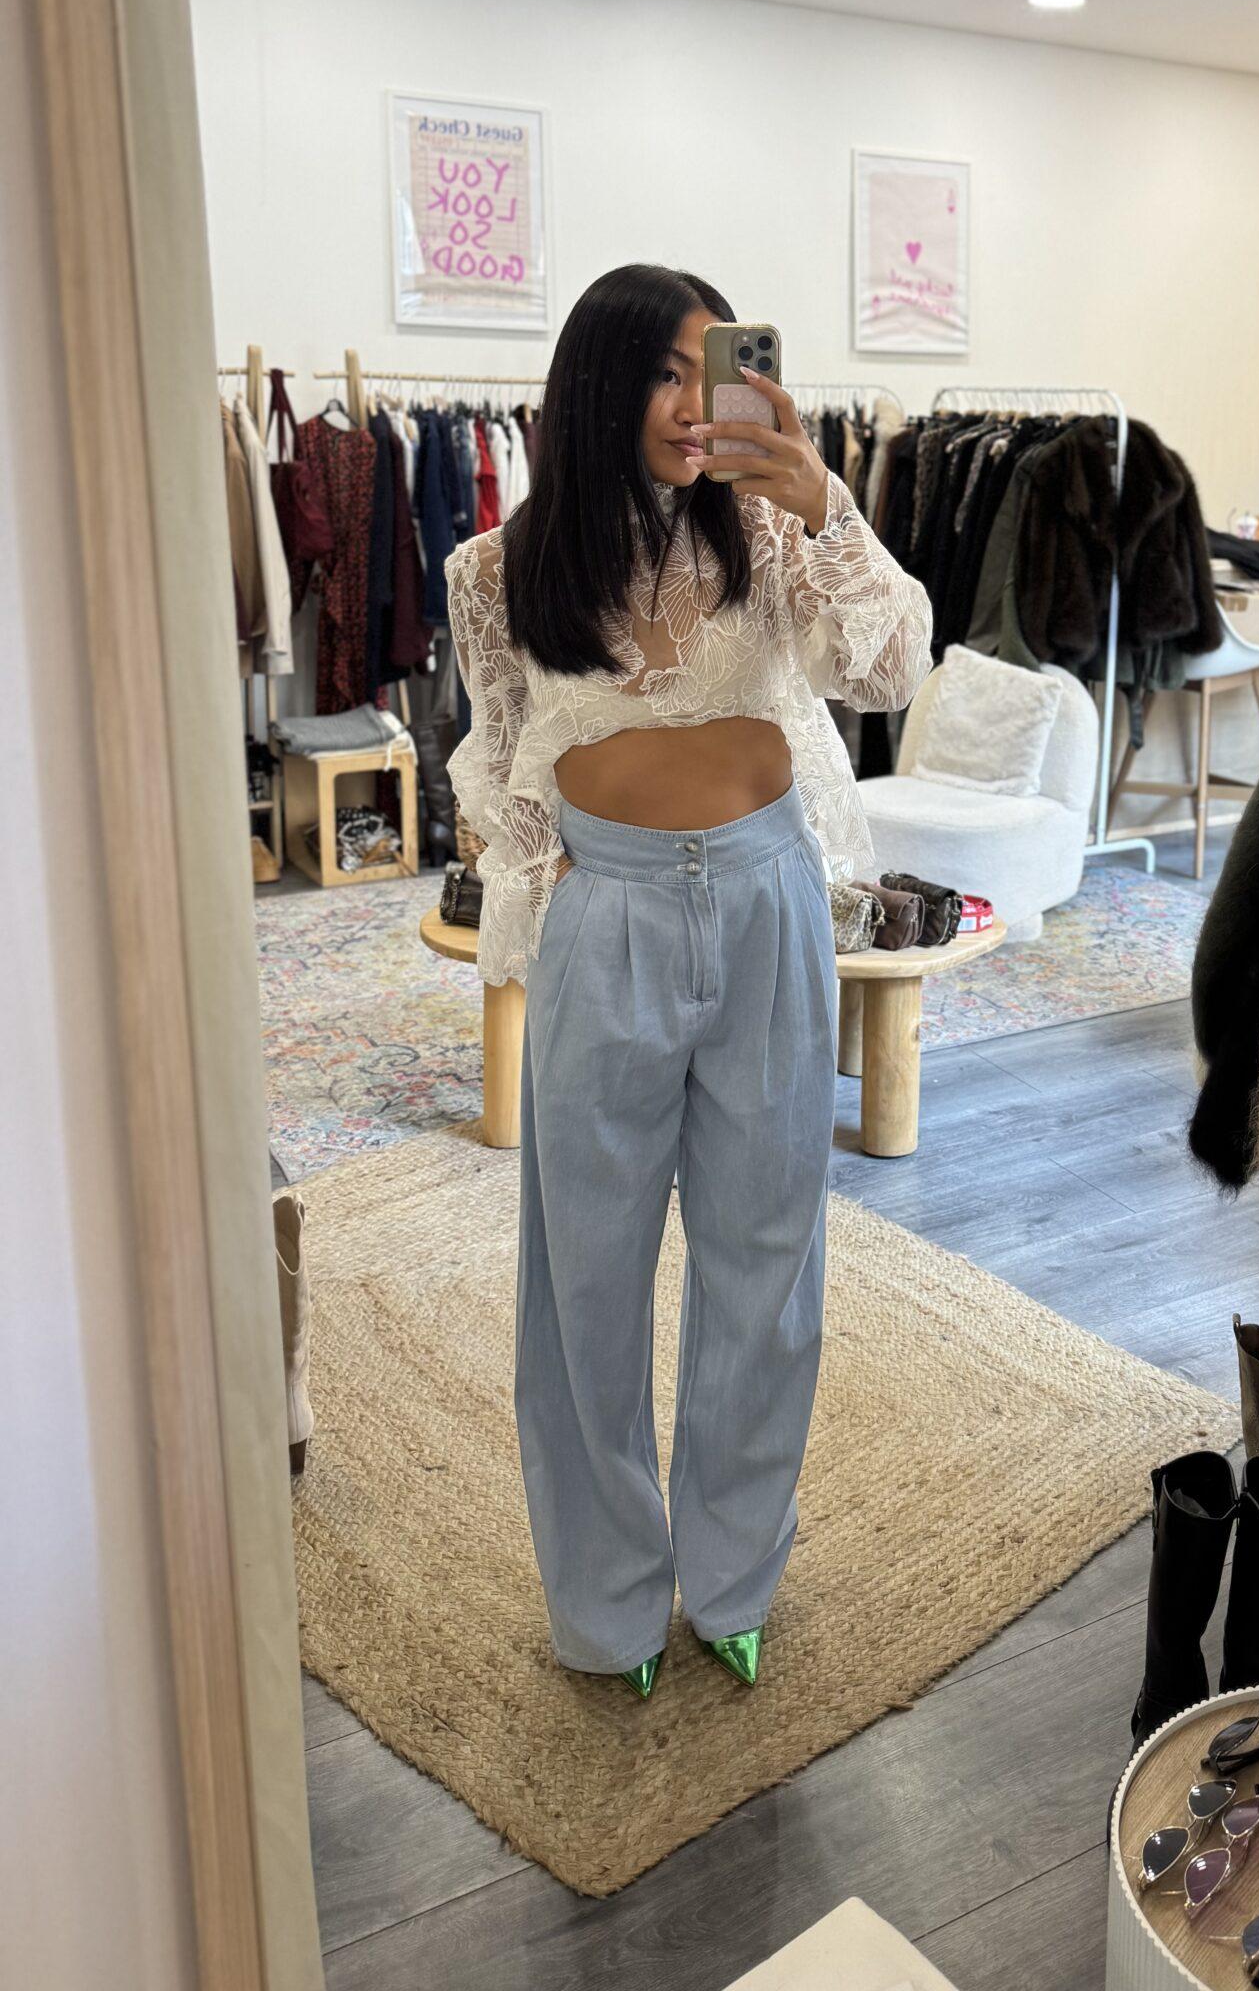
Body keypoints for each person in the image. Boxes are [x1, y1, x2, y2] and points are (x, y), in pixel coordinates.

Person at [446, 264, 931, 1697]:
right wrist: (565, 901)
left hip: (770, 902)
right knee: (584, 1276)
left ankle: (733, 1576)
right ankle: (605, 1604)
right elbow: (502, 766)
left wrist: (823, 501)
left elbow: (890, 668)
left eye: (711, 366)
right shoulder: (497, 571)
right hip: (608, 918)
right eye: (663, 370)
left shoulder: (771, 535)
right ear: (599, 385)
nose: (690, 400)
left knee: (766, 1261)